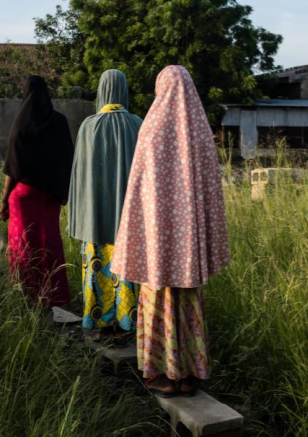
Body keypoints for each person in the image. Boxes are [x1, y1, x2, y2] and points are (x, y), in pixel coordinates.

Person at [111, 65, 229, 398]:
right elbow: (210, 194)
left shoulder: (151, 128)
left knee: (158, 302)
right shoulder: (202, 134)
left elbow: (138, 192)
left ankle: (164, 374)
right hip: (188, 250)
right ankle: (190, 375)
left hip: (157, 249)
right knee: (188, 303)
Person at [68, 69, 143, 336]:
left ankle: (96, 315)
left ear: (101, 90)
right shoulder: (137, 124)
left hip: (95, 216)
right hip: (130, 217)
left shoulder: (89, 125)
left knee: (97, 262)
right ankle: (127, 317)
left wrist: (78, 215)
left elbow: (79, 176)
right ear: (124, 90)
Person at [0, 75, 74, 308]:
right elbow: (68, 159)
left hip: (24, 196)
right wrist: (64, 193)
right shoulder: (60, 122)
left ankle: (26, 298)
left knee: (24, 245)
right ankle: (54, 297)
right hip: (51, 197)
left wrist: (3, 201)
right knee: (49, 242)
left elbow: (13, 167)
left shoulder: (21, 124)